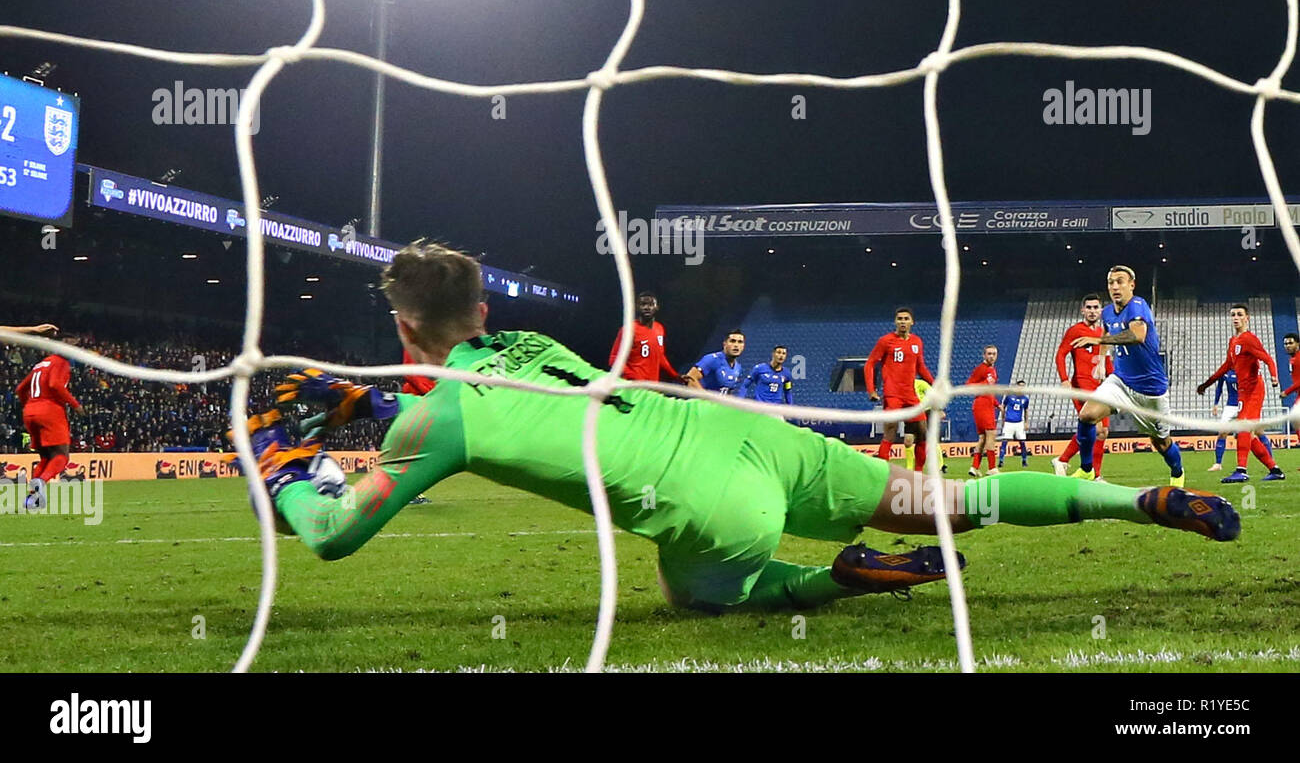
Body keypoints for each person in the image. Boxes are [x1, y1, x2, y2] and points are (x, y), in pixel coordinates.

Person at [248, 241, 1241, 618]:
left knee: (693, 599)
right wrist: (375, 411)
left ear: (404, 328)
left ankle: (836, 577)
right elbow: (509, 397)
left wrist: (287, 464)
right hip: (751, 435)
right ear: (479, 310)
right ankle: (1140, 497)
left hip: (719, 504)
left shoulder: (435, 414)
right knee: (954, 498)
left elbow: (332, 532)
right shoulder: (540, 342)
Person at [1070, 265, 1184, 485]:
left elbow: (1138, 334)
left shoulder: (1138, 305)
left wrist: (1099, 341)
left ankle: (1178, 472)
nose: (1115, 287)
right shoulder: (1107, 312)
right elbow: (1106, 329)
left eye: (1120, 281)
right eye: (1111, 282)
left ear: (1132, 285)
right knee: (1087, 415)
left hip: (1150, 390)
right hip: (1120, 382)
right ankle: (1086, 469)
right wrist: (1102, 361)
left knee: (1161, 443)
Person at [1196, 304, 1284, 483]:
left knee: (1243, 427)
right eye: (1233, 315)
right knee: (1246, 435)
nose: (1235, 317)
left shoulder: (1249, 339)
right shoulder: (1233, 341)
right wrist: (1207, 384)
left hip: (1254, 389)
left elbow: (1267, 359)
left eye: (1239, 314)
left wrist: (1275, 377)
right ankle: (1274, 470)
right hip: (1243, 392)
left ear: (1247, 318)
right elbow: (1226, 366)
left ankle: (1241, 470)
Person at [16, 336, 85, 510]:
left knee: (46, 457)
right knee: (62, 456)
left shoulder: (41, 364)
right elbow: (54, 384)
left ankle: (33, 499)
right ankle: (41, 482)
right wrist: (75, 405)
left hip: (31, 411)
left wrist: (30, 406)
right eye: (71, 344)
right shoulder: (61, 362)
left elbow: (20, 389)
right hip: (50, 411)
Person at [1051, 294, 1112, 477]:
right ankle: (1064, 461)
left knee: (1103, 432)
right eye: (1089, 308)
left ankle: (1093, 474)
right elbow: (1061, 354)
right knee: (1097, 427)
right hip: (1082, 384)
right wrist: (1064, 379)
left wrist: (1115, 378)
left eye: (1096, 307)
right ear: (1082, 310)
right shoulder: (1075, 330)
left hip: (1101, 386)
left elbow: (1106, 360)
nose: (1092, 311)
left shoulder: (1103, 333)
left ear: (1101, 310)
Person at [865, 308, 934, 462]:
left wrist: (935, 384)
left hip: (910, 394)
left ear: (912, 322)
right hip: (892, 394)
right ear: (895, 322)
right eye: (900, 319)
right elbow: (869, 364)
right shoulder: (885, 341)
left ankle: (918, 474)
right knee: (890, 431)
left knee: (922, 431)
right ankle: (884, 475)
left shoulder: (917, 341)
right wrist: (871, 390)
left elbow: (920, 367)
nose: (903, 321)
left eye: (906, 318)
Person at [608, 291, 682, 384]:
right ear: (637, 307)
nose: (647, 307)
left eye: (651, 304)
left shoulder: (659, 328)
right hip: (633, 387)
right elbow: (614, 359)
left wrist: (675, 375)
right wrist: (633, 377)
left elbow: (660, 356)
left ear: (657, 307)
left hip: (652, 386)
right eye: (643, 304)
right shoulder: (628, 329)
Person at [967, 345, 1000, 477]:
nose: (992, 356)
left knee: (983, 438)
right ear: (984, 356)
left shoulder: (992, 370)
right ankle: (992, 467)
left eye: (994, 354)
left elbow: (990, 391)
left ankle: (974, 467)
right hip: (983, 405)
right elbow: (969, 386)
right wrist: (985, 383)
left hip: (987, 404)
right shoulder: (981, 369)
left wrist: (998, 405)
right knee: (991, 435)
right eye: (989, 354)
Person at [998, 380, 1030, 470]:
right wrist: (1003, 419)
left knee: (1022, 442)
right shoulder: (1009, 396)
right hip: (1009, 422)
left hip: (1019, 423)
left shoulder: (1025, 399)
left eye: (1023, 386)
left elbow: (1026, 410)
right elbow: (1003, 407)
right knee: (1004, 442)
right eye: (1020, 386)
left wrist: (1026, 422)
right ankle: (1001, 460)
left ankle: (1024, 460)